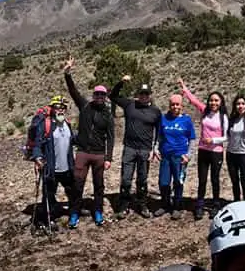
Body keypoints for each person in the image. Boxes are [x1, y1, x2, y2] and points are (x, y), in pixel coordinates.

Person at [63, 56, 114, 227]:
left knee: (99, 185)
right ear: (93, 95)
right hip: (83, 152)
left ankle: (98, 211)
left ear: (106, 97)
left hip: (99, 154)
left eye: (102, 94)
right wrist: (68, 73)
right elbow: (73, 91)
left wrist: (108, 157)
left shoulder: (108, 114)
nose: (99, 96)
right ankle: (74, 213)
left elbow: (111, 137)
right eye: (97, 94)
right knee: (78, 184)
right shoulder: (85, 106)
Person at [110, 76, 162, 219]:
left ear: (149, 95)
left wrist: (155, 147)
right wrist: (120, 82)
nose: (143, 96)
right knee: (126, 179)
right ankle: (124, 204)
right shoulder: (129, 105)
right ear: (138, 95)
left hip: (145, 150)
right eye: (141, 94)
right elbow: (113, 96)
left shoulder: (156, 111)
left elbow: (159, 131)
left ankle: (142, 204)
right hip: (129, 148)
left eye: (146, 94)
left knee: (142, 179)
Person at [180, 79, 229, 220]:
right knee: (202, 179)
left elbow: (226, 137)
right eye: (211, 100)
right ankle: (200, 205)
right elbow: (194, 101)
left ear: (221, 103)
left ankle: (215, 205)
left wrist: (213, 140)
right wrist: (185, 89)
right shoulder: (204, 111)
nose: (213, 103)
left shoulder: (223, 117)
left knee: (215, 179)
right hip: (203, 151)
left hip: (216, 152)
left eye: (216, 101)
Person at [31, 94, 77, 227]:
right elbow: (37, 144)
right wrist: (38, 158)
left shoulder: (67, 124)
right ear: (52, 108)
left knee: (72, 191)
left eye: (63, 107)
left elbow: (72, 140)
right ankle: (48, 218)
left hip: (67, 167)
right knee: (49, 194)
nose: (61, 110)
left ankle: (74, 212)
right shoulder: (45, 124)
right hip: (51, 169)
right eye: (57, 107)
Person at [154, 93, 196, 219]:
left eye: (177, 104)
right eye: (172, 104)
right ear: (169, 105)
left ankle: (177, 206)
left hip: (180, 157)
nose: (175, 106)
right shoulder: (163, 118)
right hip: (165, 156)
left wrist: (188, 155)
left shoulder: (186, 120)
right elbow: (159, 136)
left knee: (178, 181)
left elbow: (192, 139)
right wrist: (156, 148)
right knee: (164, 182)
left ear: (181, 106)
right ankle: (165, 204)